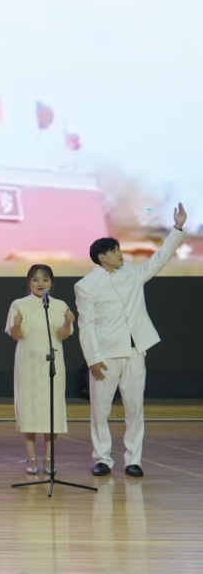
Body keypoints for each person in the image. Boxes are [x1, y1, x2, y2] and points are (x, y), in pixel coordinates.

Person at [76, 203, 188, 478]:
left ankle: (133, 460)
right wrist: (93, 359)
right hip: (105, 355)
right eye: (114, 251)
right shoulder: (86, 286)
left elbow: (160, 258)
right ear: (102, 257)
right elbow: (85, 326)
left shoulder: (133, 274)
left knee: (135, 408)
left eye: (118, 249)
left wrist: (177, 228)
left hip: (136, 350)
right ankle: (102, 458)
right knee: (100, 410)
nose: (120, 254)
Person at [7, 264, 74, 475]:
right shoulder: (19, 304)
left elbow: (62, 335)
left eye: (45, 279)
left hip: (52, 365)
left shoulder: (59, 305)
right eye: (35, 279)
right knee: (29, 409)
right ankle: (31, 456)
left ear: (52, 283)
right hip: (28, 364)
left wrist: (67, 323)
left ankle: (49, 457)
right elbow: (16, 335)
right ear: (28, 282)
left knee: (51, 409)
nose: (40, 284)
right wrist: (16, 324)